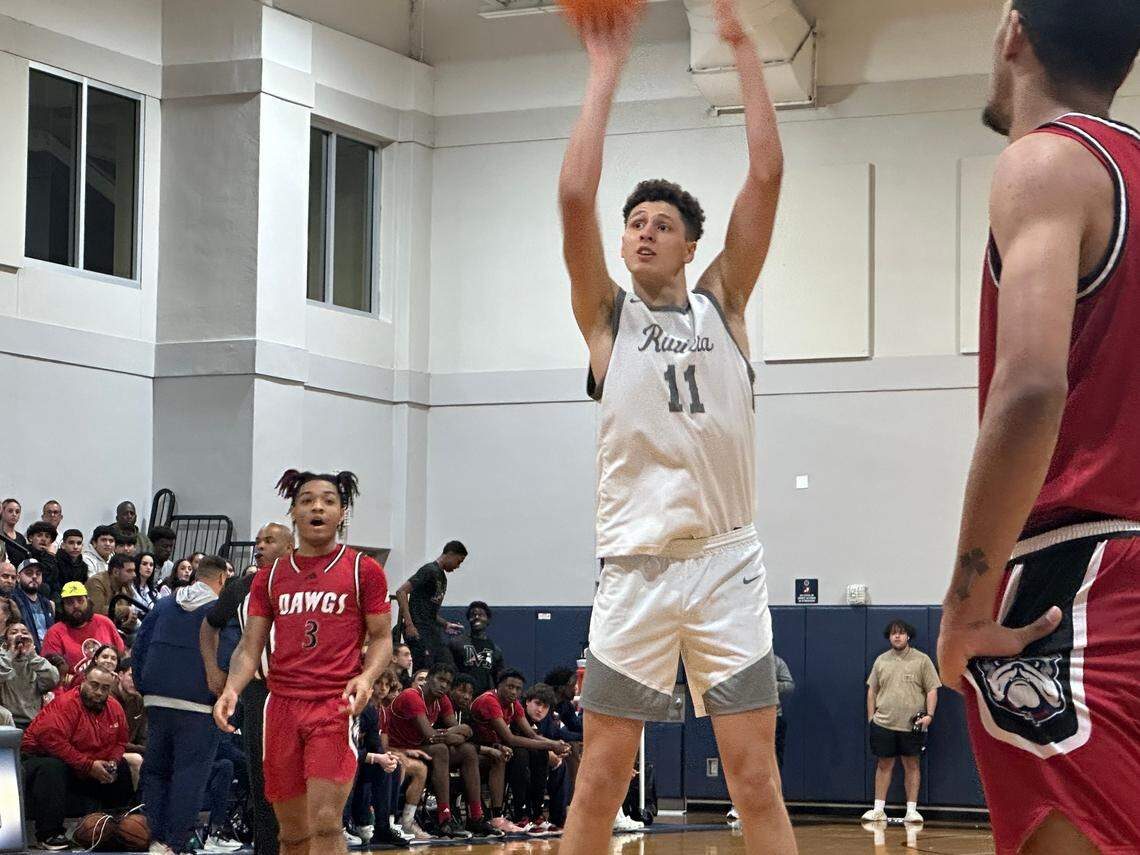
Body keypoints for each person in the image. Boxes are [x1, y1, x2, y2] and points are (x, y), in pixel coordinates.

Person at [556, 1, 792, 852]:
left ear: (692, 245)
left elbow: (765, 175)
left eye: (662, 224)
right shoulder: (605, 320)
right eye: (636, 223)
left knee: (756, 781)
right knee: (598, 781)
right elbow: (576, 193)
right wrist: (604, 68)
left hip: (727, 563)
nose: (644, 230)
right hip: (636, 570)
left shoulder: (722, 304)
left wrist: (745, 54)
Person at [936, 3, 1140, 853]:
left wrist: (965, 605)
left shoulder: (1047, 162)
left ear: (1013, 31)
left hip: (1082, 579)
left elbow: (1027, 390)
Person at [213, 470, 393, 855]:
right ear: (294, 512)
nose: (317, 506)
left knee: (327, 823)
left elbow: (381, 639)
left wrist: (367, 676)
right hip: (279, 708)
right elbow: (249, 646)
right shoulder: (270, 577)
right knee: (291, 834)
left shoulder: (364, 571)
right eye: (307, 499)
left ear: (342, 512)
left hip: (333, 705)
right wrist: (231, 688)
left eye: (328, 500)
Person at [200, 521, 293, 855]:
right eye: (258, 541)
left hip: (301, 693)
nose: (260, 546)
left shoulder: (305, 586)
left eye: (269, 541)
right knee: (263, 782)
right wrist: (214, 671)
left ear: (290, 549)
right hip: (259, 693)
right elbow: (209, 626)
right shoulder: (241, 587)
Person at [134, 555, 230, 855]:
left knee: (156, 772)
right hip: (199, 702)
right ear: (222, 580)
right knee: (189, 776)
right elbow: (228, 655)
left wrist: (144, 686)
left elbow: (139, 645)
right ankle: (173, 845)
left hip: (157, 698)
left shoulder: (163, 604)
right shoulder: (219, 611)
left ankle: (156, 839)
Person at [21, 662, 134, 851]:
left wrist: (112, 762)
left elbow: (121, 741)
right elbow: (52, 741)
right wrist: (88, 765)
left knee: (121, 766)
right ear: (83, 681)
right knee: (52, 767)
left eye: (105, 688)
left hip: (82, 765)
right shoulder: (65, 703)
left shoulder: (114, 708)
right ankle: (48, 834)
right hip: (40, 760)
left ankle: (118, 827)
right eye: (94, 685)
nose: (98, 692)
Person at [385, 661, 495, 839]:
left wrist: (452, 733)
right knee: (441, 749)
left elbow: (465, 732)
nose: (444, 685)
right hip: (395, 747)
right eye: (440, 679)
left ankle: (476, 816)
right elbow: (431, 735)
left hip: (418, 747)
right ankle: (444, 818)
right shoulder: (412, 696)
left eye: (448, 683)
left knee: (467, 750)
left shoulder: (442, 700)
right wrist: (453, 733)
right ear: (428, 679)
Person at [862, 621, 940, 824]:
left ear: (908, 636)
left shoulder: (922, 660)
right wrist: (872, 717)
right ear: (889, 637)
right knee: (883, 765)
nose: (897, 637)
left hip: (912, 725)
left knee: (912, 765)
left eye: (901, 633)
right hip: (883, 724)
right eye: (893, 634)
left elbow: (932, 689)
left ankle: (912, 811)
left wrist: (929, 715)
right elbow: (872, 690)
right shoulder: (881, 661)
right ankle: (878, 809)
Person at [471, 670, 570, 828]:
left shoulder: (514, 703)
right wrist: (551, 745)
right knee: (521, 753)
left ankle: (537, 815)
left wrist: (557, 744)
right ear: (499, 685)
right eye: (510, 687)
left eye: (518, 689)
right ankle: (520, 814)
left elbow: (531, 734)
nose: (514, 692)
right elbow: (511, 738)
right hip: (478, 748)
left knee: (540, 753)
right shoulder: (490, 700)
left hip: (498, 747)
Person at [346, 668, 413, 848]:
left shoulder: (370, 711)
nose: (372, 692)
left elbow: (375, 745)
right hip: (339, 760)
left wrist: (386, 758)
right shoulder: (344, 707)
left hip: (358, 759)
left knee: (392, 765)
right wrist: (376, 757)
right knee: (351, 765)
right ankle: (345, 825)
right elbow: (344, 748)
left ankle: (383, 827)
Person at [450, 673, 521, 834]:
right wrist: (489, 749)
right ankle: (475, 816)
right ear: (451, 690)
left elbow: (473, 739)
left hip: (464, 756)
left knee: (498, 757)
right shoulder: (445, 707)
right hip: (446, 756)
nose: (467, 697)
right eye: (462, 691)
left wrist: (496, 746)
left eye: (470, 693)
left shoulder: (465, 713)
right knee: (471, 755)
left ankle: (496, 816)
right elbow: (451, 739)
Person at [394, 542, 467, 669]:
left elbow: (429, 611)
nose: (458, 566)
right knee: (424, 669)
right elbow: (401, 592)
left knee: (446, 666)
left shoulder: (442, 578)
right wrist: (409, 625)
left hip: (431, 630)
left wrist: (445, 624)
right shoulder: (429, 570)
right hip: (418, 630)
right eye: (458, 561)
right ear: (450, 554)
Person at [41, 581, 125, 672]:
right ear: (63, 607)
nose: (76, 605)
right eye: (70, 602)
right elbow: (51, 673)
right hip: (74, 685)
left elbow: (120, 654)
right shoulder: (54, 633)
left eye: (80, 600)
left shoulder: (105, 622)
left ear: (88, 601)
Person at [0, 621, 59, 727]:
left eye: (25, 632)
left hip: (33, 720)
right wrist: (10, 655)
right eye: (14, 632)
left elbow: (53, 679)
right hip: (6, 721)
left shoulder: (35, 659)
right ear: (5, 641)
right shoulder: (2, 658)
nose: (20, 635)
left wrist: (32, 656)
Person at [447, 600, 505, 696]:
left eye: (481, 614)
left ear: (488, 620)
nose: (476, 617)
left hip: (483, 698)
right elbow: (449, 672)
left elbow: (499, 680)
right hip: (461, 696)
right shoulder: (456, 643)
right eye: (473, 615)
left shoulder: (495, 650)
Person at [114, 657, 147, 790]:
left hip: (131, 748)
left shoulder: (139, 700)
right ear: (120, 675)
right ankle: (136, 804)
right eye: (131, 676)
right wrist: (145, 750)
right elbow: (114, 740)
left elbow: (142, 735)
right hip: (109, 749)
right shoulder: (109, 698)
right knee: (136, 759)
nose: (135, 681)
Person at [13, 560, 53, 652]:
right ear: (18, 578)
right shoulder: (13, 601)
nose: (34, 576)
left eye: (38, 574)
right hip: (26, 653)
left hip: (49, 653)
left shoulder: (47, 604)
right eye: (29, 573)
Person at [24, 521, 60, 599]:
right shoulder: (24, 553)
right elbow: (41, 577)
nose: (43, 539)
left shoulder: (51, 556)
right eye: (39, 535)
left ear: (51, 541)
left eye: (47, 536)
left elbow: (55, 583)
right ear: (31, 538)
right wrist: (50, 556)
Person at [0, 498, 28, 567]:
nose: (14, 514)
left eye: (17, 512)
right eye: (10, 511)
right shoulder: (0, 535)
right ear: (2, 512)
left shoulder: (21, 538)